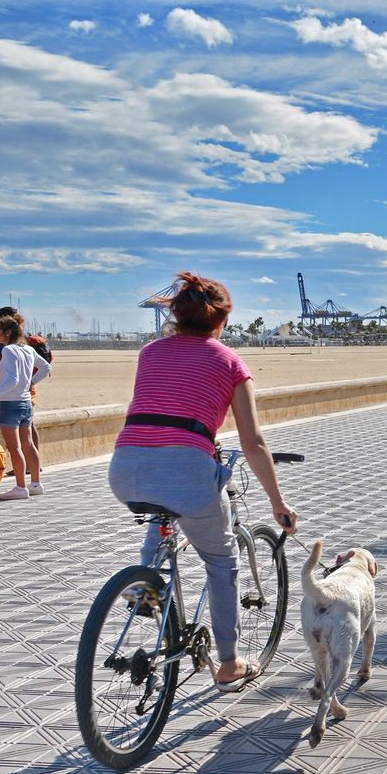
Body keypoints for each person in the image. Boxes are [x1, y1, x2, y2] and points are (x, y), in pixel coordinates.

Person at [112, 272, 299, 692]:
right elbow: (252, 442)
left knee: (162, 513)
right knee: (220, 560)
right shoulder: (230, 362)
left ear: (176, 316)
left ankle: (145, 583)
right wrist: (278, 503)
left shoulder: (150, 352)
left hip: (126, 466)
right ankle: (230, 663)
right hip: (188, 470)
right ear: (222, 321)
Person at [0, 316, 51, 500]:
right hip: (25, 403)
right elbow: (46, 367)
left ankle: (20, 487)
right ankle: (35, 483)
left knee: (15, 447)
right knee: (28, 444)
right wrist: (31, 382)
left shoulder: (9, 351)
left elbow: (11, 380)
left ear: (7, 333)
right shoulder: (28, 349)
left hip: (10, 404)